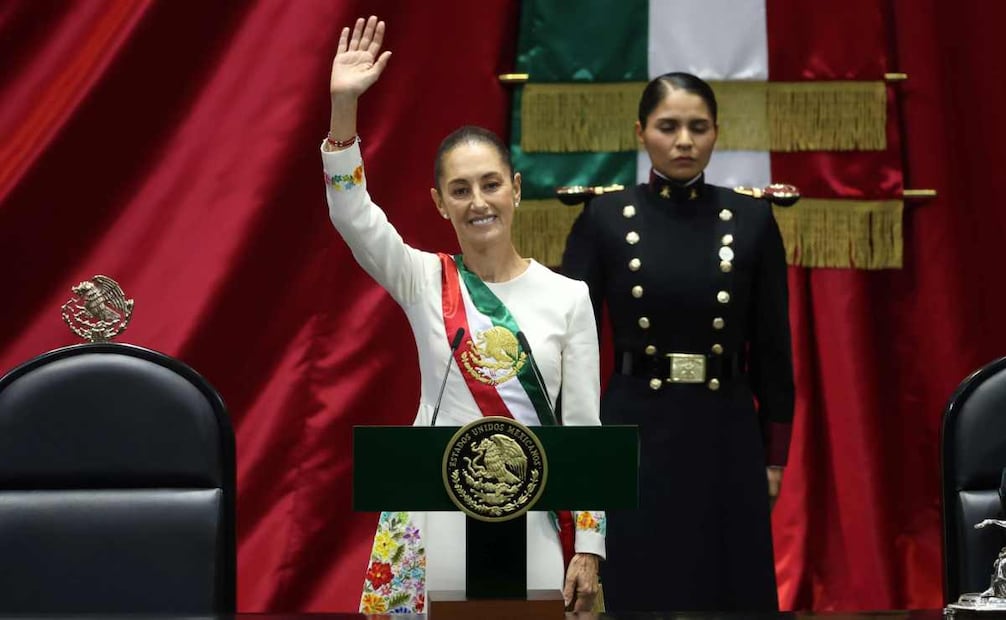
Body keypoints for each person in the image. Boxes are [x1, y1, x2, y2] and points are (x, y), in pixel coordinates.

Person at [322, 16, 605, 615]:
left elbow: (583, 433)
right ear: (439, 202)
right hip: (432, 508)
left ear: (516, 189)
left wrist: (589, 547)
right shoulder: (422, 278)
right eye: (460, 190)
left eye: (491, 184)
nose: (478, 202)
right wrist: (344, 107)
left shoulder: (569, 298)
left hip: (530, 516)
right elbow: (352, 214)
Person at [561, 72, 795, 612]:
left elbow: (773, 350)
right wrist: (580, 453)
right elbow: (571, 348)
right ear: (640, 132)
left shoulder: (752, 219)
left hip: (725, 428)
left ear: (717, 133)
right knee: (640, 591)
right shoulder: (604, 218)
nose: (684, 141)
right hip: (634, 430)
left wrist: (774, 458)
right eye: (668, 127)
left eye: (698, 127)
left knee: (729, 593)